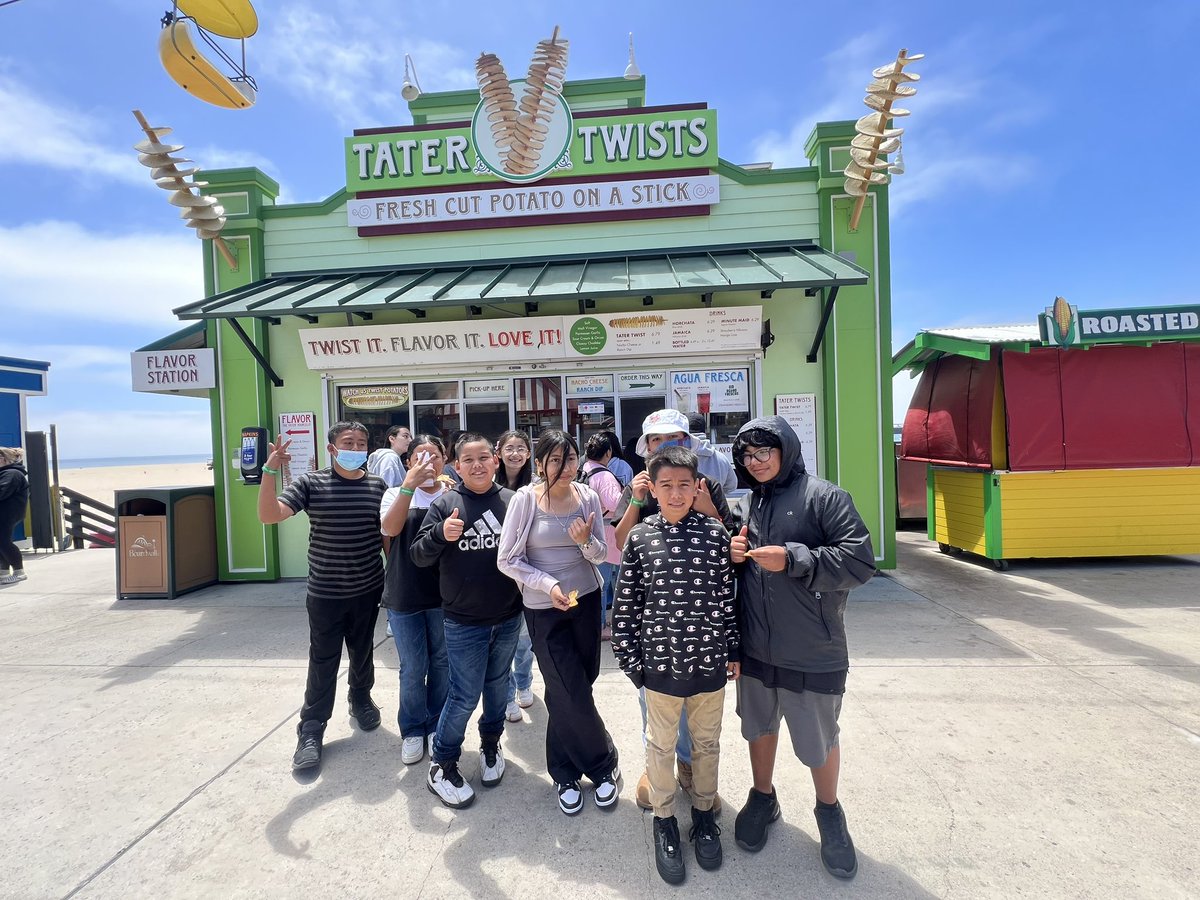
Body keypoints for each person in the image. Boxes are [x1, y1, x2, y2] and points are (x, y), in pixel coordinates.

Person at [728, 415, 876, 879]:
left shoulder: (825, 496)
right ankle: (763, 796)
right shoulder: (749, 503)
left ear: (785, 450)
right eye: (747, 455)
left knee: (817, 738)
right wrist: (736, 555)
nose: (755, 463)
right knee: (758, 726)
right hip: (756, 645)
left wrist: (794, 558)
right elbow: (745, 571)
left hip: (813, 647)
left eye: (763, 452)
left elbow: (859, 560)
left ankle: (829, 812)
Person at [612, 445, 739, 884]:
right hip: (659, 669)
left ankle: (704, 814)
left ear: (696, 486)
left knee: (707, 746)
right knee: (660, 747)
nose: (676, 493)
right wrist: (632, 664)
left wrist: (733, 652)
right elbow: (625, 607)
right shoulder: (641, 538)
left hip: (709, 667)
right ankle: (664, 820)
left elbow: (728, 602)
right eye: (666, 485)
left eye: (685, 484)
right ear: (653, 488)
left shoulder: (715, 535)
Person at [496, 430, 619, 815]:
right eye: (554, 461)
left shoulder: (589, 497)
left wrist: (585, 541)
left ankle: (564, 769)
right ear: (539, 464)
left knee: (573, 688)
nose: (564, 468)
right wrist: (547, 585)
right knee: (569, 687)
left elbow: (600, 555)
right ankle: (602, 764)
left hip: (586, 602)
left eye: (569, 460)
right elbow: (507, 560)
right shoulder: (525, 501)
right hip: (544, 609)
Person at [258, 422, 388, 774]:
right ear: (332, 449)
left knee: (363, 652)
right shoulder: (310, 483)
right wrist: (270, 470)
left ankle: (360, 699)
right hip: (326, 592)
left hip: (368, 588)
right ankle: (311, 729)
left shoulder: (378, 486)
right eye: (348, 442)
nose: (356, 448)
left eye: (361, 443)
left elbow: (388, 536)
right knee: (323, 660)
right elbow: (269, 515)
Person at [411, 432, 523, 810]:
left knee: (496, 690)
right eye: (468, 459)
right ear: (456, 466)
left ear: (495, 461)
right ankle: (442, 764)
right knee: (463, 695)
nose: (477, 465)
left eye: (483, 457)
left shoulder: (512, 502)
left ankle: (491, 745)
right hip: (463, 620)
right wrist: (440, 535)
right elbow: (419, 556)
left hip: (508, 617)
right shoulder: (446, 504)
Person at [380, 435, 450, 766]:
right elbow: (391, 530)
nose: (427, 462)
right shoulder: (395, 494)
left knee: (441, 663)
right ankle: (411, 729)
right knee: (412, 667)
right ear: (408, 462)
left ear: (445, 458)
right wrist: (408, 488)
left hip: (445, 595)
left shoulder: (452, 494)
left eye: (434, 455)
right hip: (404, 593)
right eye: (419, 456)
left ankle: (436, 724)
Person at [495, 430, 536, 721]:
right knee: (500, 644)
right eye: (509, 448)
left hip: (526, 575)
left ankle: (524, 682)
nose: (515, 453)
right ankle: (507, 696)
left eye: (520, 448)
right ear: (499, 453)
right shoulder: (487, 485)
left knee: (523, 640)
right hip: (494, 575)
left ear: (529, 454)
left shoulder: (535, 488)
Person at [579, 433, 623, 640]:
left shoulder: (583, 470)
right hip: (607, 536)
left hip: (587, 534)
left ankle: (595, 623)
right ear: (608, 453)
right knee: (603, 583)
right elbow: (616, 504)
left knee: (595, 582)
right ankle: (601, 626)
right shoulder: (604, 475)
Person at [687, 413, 738, 493]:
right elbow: (731, 486)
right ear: (704, 430)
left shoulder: (678, 456)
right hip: (715, 504)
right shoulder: (721, 458)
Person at [0, 447, 30, 585]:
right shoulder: (7, 472)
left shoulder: (12, 473)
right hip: (6, 512)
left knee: (3, 542)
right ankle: (4, 573)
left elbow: (2, 491)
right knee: (2, 542)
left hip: (8, 513)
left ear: (3, 459)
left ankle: (19, 572)